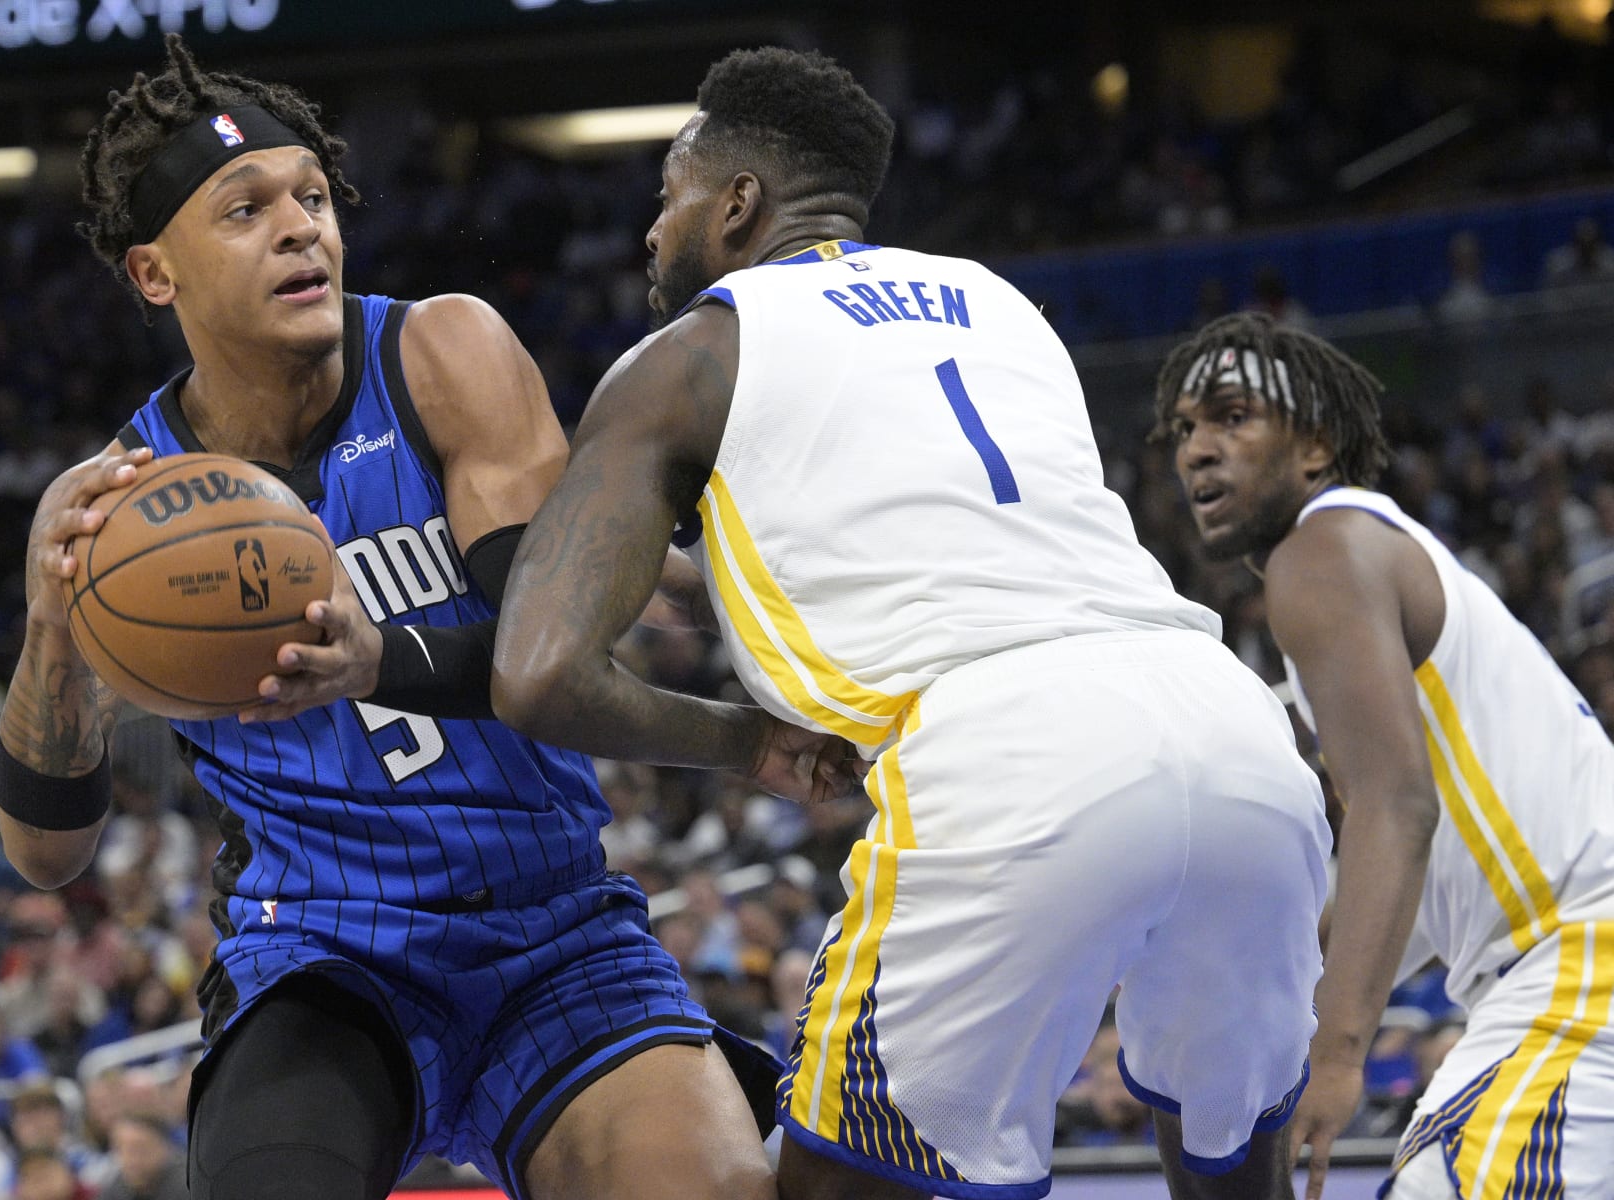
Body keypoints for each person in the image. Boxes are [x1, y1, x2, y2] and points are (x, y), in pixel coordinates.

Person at [493, 47, 1331, 1200]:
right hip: (1234, 735)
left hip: (1007, 767)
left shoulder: (687, 357)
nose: (651, 229)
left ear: (737, 204)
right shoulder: (1002, 306)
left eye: (669, 194)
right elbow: (907, 546)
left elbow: (537, 679)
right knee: (1240, 1186)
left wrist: (746, 744)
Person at [0, 34, 778, 1200]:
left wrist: (377, 659)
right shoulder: (119, 508)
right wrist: (52, 632)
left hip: (553, 928)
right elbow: (45, 857)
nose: (301, 225)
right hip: (322, 948)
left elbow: (553, 651)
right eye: (245, 210)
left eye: (312, 195)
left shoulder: (440, 351)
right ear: (156, 275)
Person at [1155, 311, 1614, 1199]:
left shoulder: (1320, 551)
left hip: (1581, 962)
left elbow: (1395, 809)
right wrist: (1274, 997)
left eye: (1232, 416)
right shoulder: (1372, 561)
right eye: (1184, 429)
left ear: (1316, 445)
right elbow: (1400, 865)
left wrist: (1335, 1050)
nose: (1198, 449)